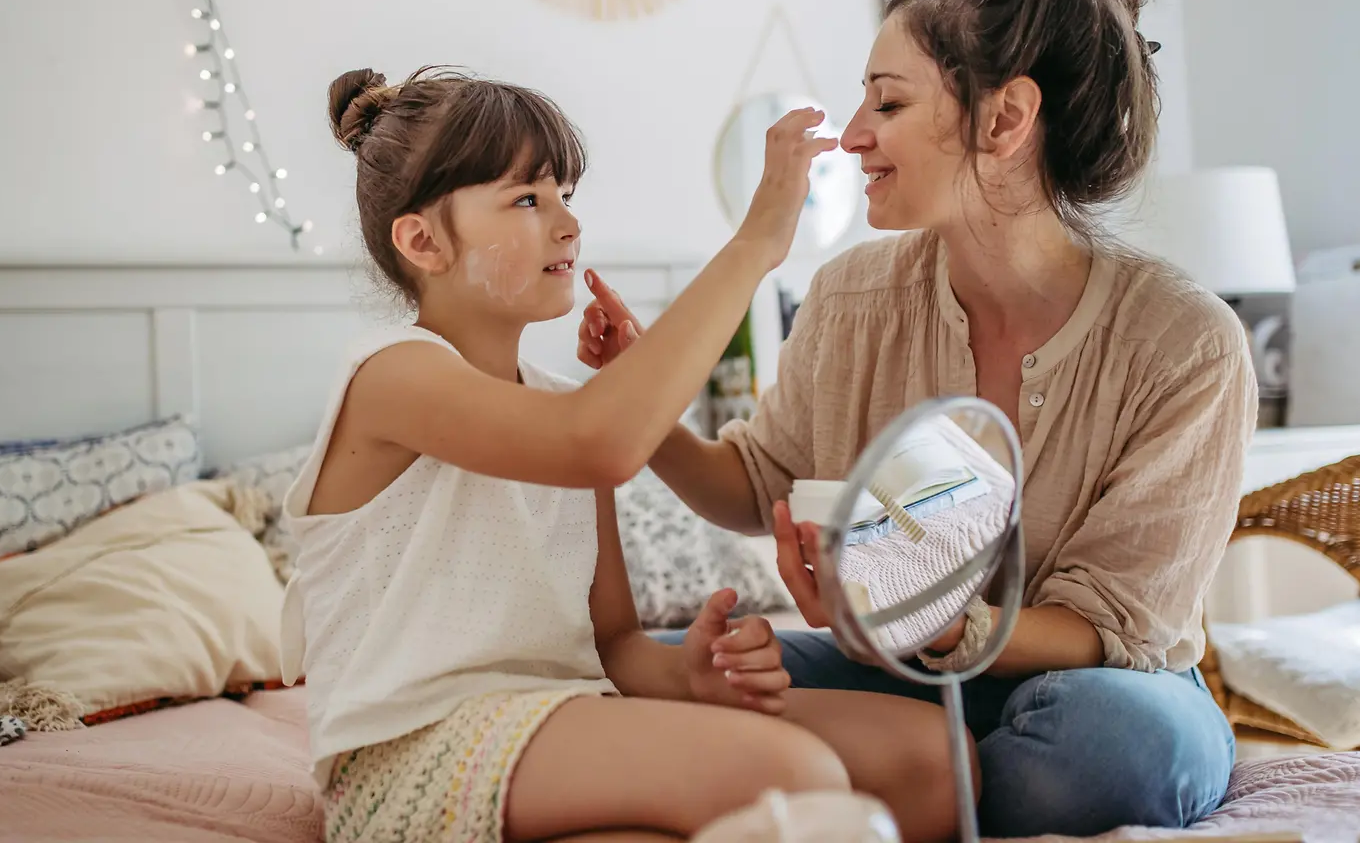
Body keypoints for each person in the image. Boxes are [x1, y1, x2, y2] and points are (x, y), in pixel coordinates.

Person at [577, 0, 1254, 838]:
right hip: (891, 671)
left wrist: (939, 626)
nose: (852, 135)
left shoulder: (1185, 346)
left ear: (1006, 119)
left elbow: (1115, 625)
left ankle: (906, 783)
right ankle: (922, 777)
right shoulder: (851, 295)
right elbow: (755, 486)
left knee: (1119, 751)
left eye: (886, 104)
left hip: (1098, 689)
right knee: (645, 673)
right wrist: (639, 390)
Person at [278, 66, 966, 843]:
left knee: (934, 757)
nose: (567, 224)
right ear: (422, 241)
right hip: (414, 747)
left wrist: (690, 676)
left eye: (566, 196)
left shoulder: (567, 410)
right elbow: (600, 441)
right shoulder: (391, 374)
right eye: (528, 199)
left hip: (569, 713)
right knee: (794, 776)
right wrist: (756, 242)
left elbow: (615, 647)